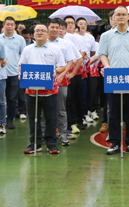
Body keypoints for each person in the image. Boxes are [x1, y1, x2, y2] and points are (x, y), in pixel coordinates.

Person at [99, 6, 129, 155]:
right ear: (113, 18)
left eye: (123, 14)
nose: (121, 17)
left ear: (128, 16)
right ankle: (114, 142)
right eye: (118, 14)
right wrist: (106, 66)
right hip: (113, 76)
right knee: (114, 111)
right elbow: (103, 55)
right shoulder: (106, 36)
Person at [19, 23, 67, 154]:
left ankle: (51, 143)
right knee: (33, 118)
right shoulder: (27, 49)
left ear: (47, 34)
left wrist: (55, 71)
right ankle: (35, 143)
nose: (39, 33)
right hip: (31, 90)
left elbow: (62, 66)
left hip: (49, 90)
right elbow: (21, 65)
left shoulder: (55, 49)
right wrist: (20, 73)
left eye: (42, 30)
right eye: (37, 31)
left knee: (50, 118)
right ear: (33, 34)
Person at [46, 18, 79, 146]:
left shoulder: (66, 44)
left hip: (61, 80)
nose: (55, 30)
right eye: (52, 27)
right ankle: (45, 134)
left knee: (61, 108)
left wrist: (62, 75)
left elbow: (70, 61)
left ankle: (63, 134)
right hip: (45, 79)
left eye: (57, 27)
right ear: (48, 28)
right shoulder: (43, 43)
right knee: (45, 108)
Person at [0, 16, 26, 130]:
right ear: (4, 25)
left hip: (14, 73)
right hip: (0, 73)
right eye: (7, 24)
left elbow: (23, 56)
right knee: (0, 98)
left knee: (12, 98)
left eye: (12, 24)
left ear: (15, 26)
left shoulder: (20, 39)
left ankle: (10, 119)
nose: (9, 26)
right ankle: (1, 120)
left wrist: (21, 71)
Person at [64, 16, 88, 131]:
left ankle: (79, 120)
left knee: (78, 97)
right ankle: (70, 122)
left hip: (76, 72)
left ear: (75, 26)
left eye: (72, 23)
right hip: (62, 73)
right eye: (67, 23)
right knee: (68, 99)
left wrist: (72, 66)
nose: (70, 25)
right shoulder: (59, 38)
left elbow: (82, 54)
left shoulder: (78, 38)